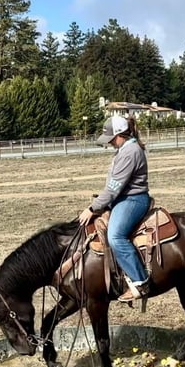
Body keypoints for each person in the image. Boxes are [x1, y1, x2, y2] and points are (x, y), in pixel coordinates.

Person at [78, 115, 150, 302]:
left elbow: (113, 188)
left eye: (111, 138)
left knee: (115, 236)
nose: (109, 143)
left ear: (119, 134)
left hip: (132, 200)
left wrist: (93, 208)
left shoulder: (130, 152)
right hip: (122, 198)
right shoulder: (125, 149)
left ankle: (140, 281)